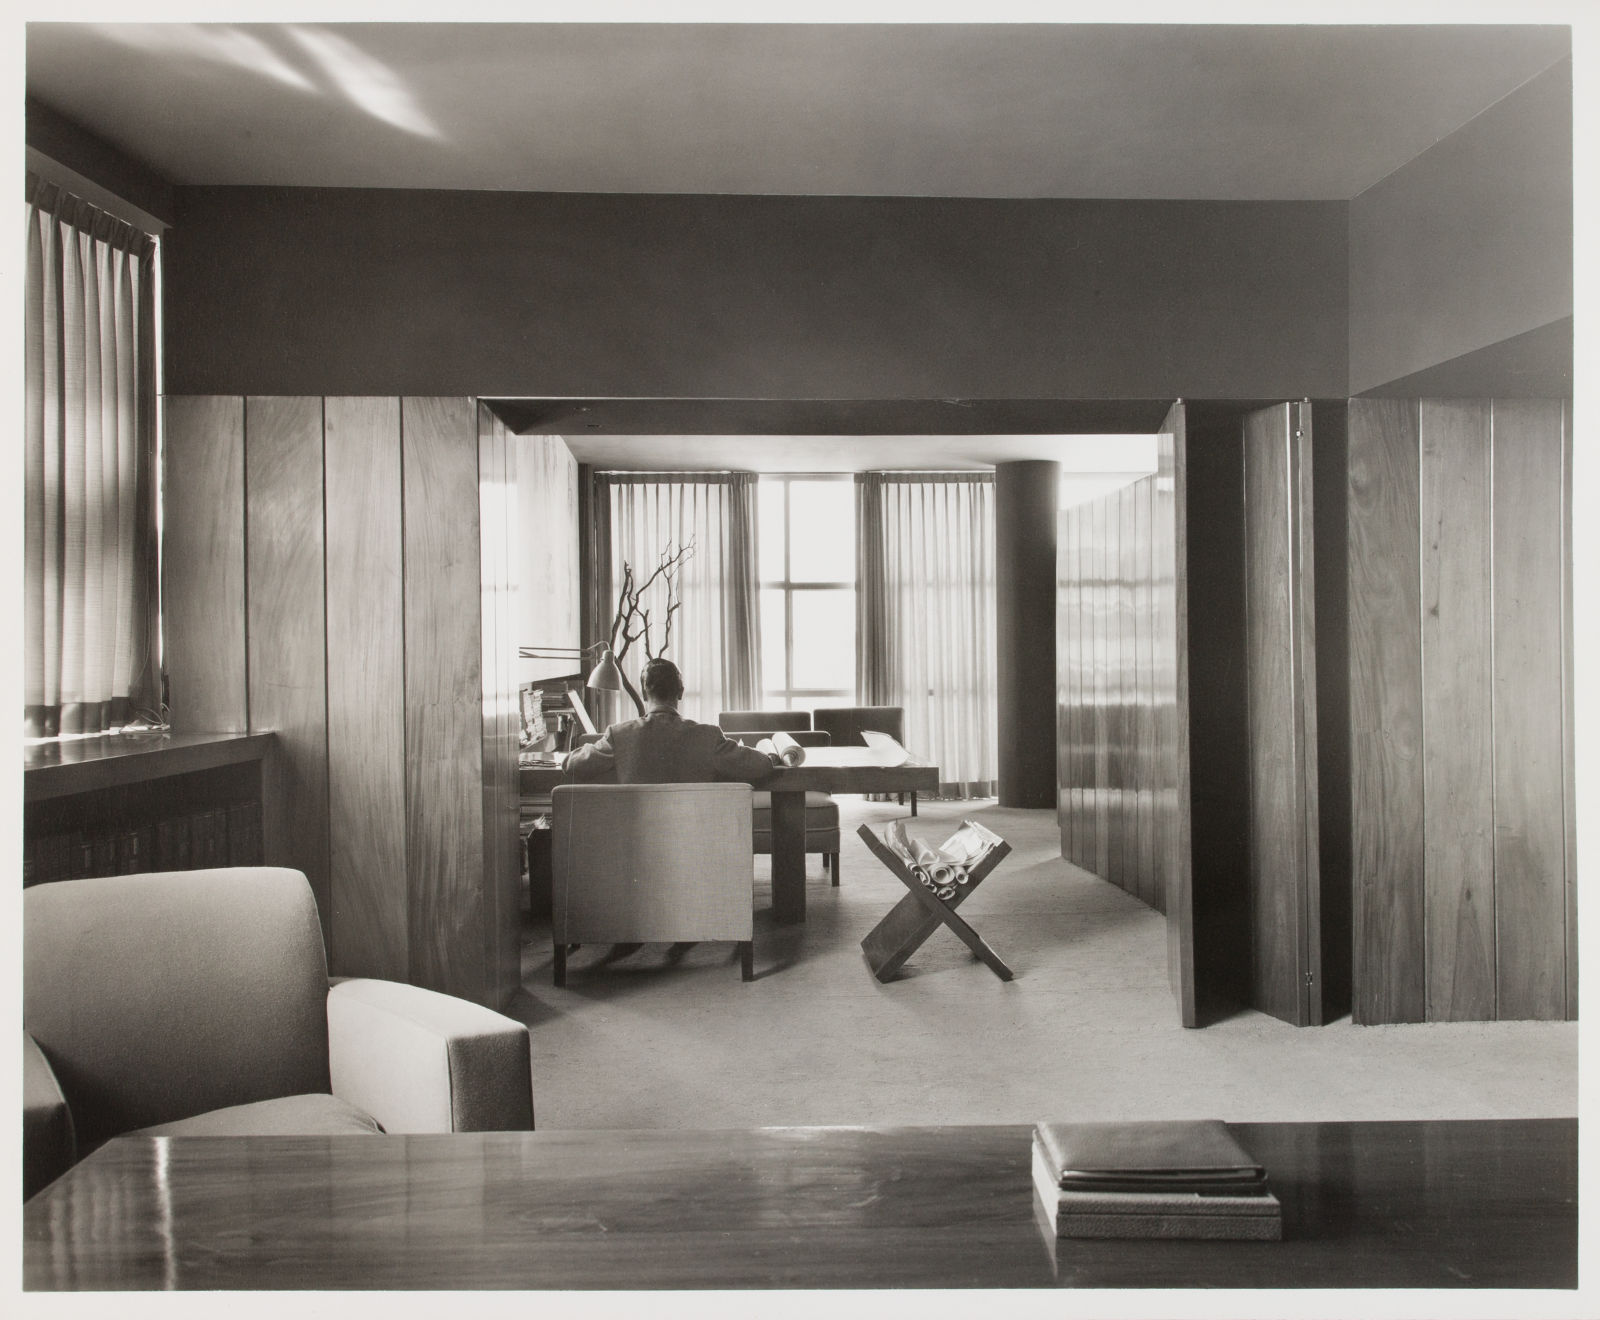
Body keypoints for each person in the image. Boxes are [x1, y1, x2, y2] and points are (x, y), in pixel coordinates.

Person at [564, 658, 776, 785]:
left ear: (644, 694)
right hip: (691, 841)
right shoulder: (708, 737)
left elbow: (572, 765)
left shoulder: (618, 736)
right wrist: (771, 754)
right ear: (681, 692)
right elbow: (761, 767)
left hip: (637, 844)